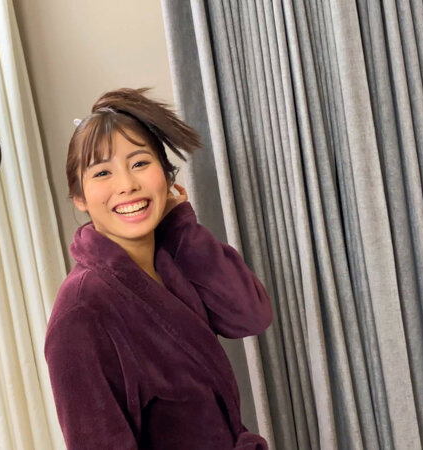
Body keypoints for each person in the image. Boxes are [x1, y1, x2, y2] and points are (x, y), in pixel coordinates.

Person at [44, 87, 272, 449]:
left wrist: (182, 226)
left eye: (139, 163)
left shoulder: (172, 262)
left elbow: (250, 316)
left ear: (166, 177)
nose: (127, 185)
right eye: (102, 173)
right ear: (80, 198)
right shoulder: (82, 309)